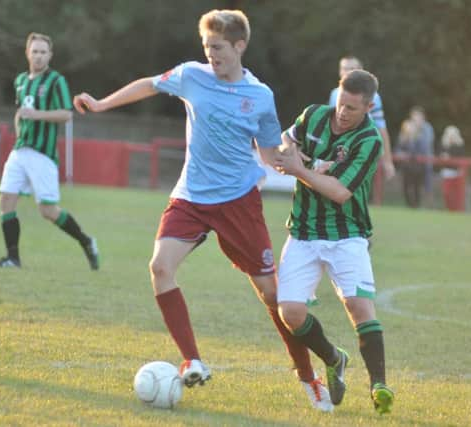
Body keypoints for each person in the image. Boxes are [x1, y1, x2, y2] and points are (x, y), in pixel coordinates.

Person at [73, 9, 331, 412]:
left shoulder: (260, 96)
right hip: (191, 197)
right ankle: (192, 359)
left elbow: (267, 153)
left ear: (240, 46)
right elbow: (149, 84)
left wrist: (304, 166)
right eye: (207, 46)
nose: (211, 54)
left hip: (238, 202)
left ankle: (308, 377)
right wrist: (103, 103)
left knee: (272, 295)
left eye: (219, 47)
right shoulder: (191, 76)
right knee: (160, 267)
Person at [275, 69, 394, 414]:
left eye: (352, 108)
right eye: (341, 104)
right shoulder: (314, 114)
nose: (343, 113)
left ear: (369, 107)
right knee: (291, 314)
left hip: (347, 235)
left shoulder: (369, 140)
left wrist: (299, 170)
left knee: (359, 306)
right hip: (303, 232)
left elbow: (340, 192)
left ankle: (379, 386)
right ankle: (333, 358)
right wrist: (289, 151)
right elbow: (288, 136)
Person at [0, 32, 99, 270]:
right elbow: (20, 112)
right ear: (27, 53)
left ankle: (86, 242)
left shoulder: (55, 81)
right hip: (20, 151)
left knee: (47, 211)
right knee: (6, 199)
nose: (38, 56)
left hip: (43, 155)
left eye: (43, 52)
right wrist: (19, 129)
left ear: (50, 55)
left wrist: (37, 115)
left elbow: (66, 114)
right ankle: (13, 258)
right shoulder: (20, 80)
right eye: (35, 51)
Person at [328, 55, 395, 198]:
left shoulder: (373, 97)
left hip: (360, 149)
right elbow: (329, 126)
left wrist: (387, 161)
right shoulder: (334, 94)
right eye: (344, 68)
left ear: (361, 71)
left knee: (354, 192)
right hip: (338, 151)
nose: (347, 72)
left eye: (352, 69)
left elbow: (381, 128)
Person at [409, 106, 435, 206]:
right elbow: (406, 145)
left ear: (422, 117)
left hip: (426, 162)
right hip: (413, 163)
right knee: (412, 186)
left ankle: (429, 205)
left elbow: (426, 145)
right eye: (414, 116)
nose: (415, 119)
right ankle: (414, 205)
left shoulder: (428, 128)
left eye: (418, 116)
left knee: (427, 185)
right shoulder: (409, 127)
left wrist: (417, 133)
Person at [396, 118, 424, 208]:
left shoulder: (418, 139)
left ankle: (416, 205)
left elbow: (421, 152)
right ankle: (409, 204)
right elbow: (397, 150)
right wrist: (401, 153)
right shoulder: (402, 139)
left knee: (416, 187)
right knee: (405, 186)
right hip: (406, 167)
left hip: (417, 167)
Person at [439, 125, 466, 211]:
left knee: (457, 194)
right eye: (450, 135)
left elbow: (461, 158)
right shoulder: (444, 146)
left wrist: (449, 157)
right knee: (446, 193)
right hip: (447, 172)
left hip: (457, 173)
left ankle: (457, 210)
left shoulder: (459, 146)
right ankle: (450, 209)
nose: (451, 137)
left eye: (453, 135)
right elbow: (440, 156)